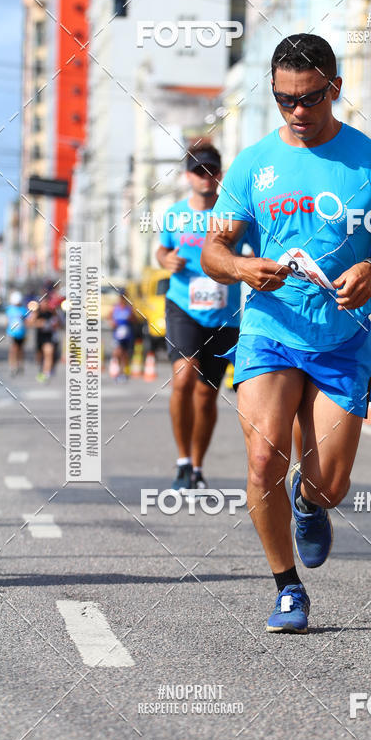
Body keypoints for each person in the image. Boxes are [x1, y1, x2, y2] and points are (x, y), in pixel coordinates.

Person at [201, 33, 371, 633]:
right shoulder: (253, 164)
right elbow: (214, 250)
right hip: (269, 329)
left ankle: (308, 501)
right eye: (284, 99)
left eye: (309, 97)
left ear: (335, 88)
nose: (297, 110)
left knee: (330, 485)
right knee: (262, 457)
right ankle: (287, 587)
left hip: (341, 338)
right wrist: (241, 267)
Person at [156, 143, 242, 492]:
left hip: (224, 313)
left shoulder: (235, 213)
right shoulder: (174, 214)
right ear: (187, 176)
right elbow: (162, 249)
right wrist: (166, 260)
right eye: (198, 171)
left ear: (219, 174)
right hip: (183, 306)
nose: (205, 177)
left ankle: (196, 465)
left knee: (207, 396)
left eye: (211, 171)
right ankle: (181, 461)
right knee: (183, 377)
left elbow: (252, 248)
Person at [29, 286, 62, 382]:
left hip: (49, 337)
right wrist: (39, 323)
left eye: (46, 302)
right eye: (43, 302)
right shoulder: (37, 312)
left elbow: (59, 323)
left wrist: (55, 324)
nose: (45, 304)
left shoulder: (52, 312)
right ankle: (42, 370)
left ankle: (46, 373)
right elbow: (30, 323)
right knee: (39, 357)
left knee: (49, 353)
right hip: (40, 338)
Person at [110, 292, 135, 380]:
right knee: (118, 352)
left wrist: (130, 318)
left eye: (124, 299)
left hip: (127, 335)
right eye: (121, 298)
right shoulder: (116, 308)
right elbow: (110, 317)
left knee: (125, 354)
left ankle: (124, 372)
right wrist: (112, 323)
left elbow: (134, 320)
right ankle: (119, 371)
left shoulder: (129, 309)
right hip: (117, 334)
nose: (123, 300)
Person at [5, 290, 28, 375]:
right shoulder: (9, 309)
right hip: (12, 333)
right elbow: (7, 321)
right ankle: (12, 366)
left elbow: (26, 321)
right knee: (13, 349)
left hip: (21, 333)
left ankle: (20, 364)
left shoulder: (23, 309)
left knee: (20, 350)